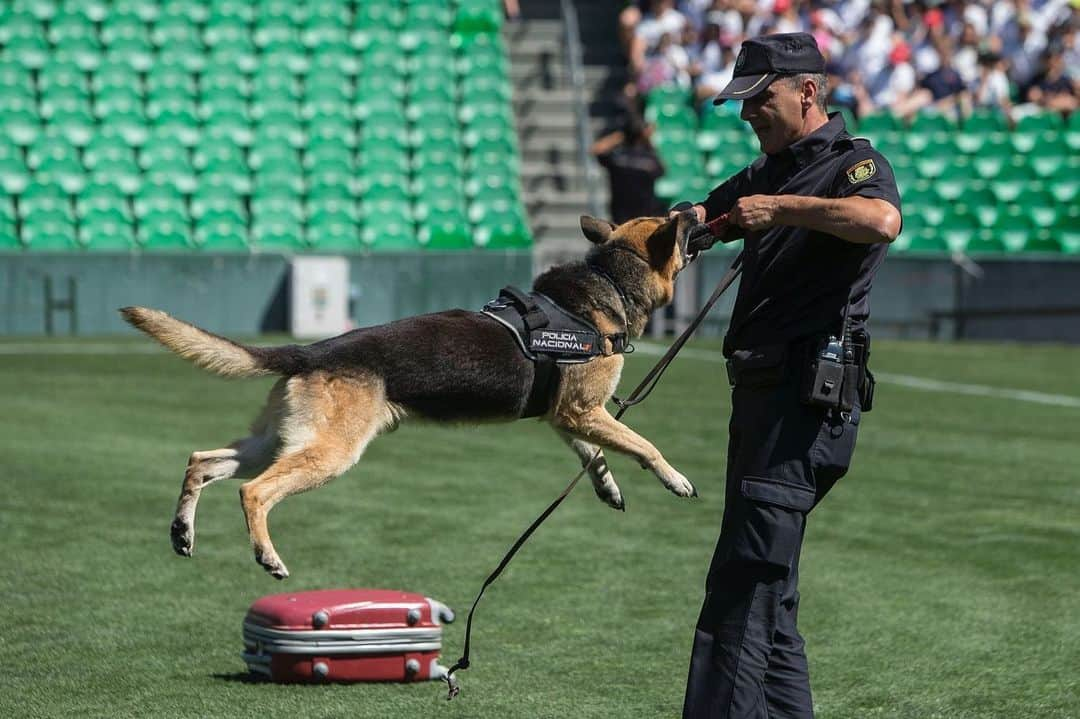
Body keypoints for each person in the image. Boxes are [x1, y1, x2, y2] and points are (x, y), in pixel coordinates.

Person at [671, 33, 902, 718]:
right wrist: (673, 228)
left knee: (743, 587)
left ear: (806, 92)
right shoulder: (767, 168)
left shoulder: (853, 164)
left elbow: (881, 220)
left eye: (758, 99)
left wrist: (783, 209)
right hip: (763, 398)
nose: (747, 115)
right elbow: (703, 220)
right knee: (771, 592)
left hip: (803, 403)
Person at [590, 114, 666, 224]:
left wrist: (620, 135)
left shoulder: (617, 156)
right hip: (638, 215)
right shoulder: (649, 158)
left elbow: (597, 149)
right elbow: (662, 170)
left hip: (629, 214)